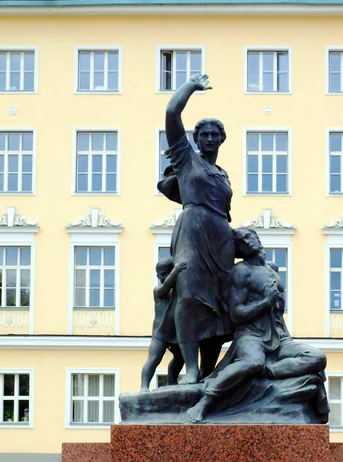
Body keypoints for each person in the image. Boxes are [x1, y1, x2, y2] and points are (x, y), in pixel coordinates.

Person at [186, 228, 328, 423]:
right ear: (238, 250)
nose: (245, 241)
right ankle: (205, 401)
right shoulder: (241, 271)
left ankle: (268, 372)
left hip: (280, 337)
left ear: (256, 238)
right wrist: (265, 303)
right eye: (240, 241)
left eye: (247, 236)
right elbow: (236, 314)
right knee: (252, 362)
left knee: (317, 357)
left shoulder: (272, 270)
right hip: (250, 335)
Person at [157, 73, 234, 385]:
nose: (210, 138)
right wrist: (191, 86)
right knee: (189, 295)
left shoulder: (222, 173)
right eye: (204, 134)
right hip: (192, 229)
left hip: (221, 236)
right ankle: (190, 367)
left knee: (219, 304)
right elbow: (172, 114)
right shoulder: (187, 159)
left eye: (216, 134)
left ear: (222, 139)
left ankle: (207, 371)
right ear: (196, 139)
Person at [140, 257, 186, 392]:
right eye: (163, 274)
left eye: (168, 272)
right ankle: (144, 386)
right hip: (160, 333)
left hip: (176, 333)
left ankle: (171, 380)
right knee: (154, 358)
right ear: (157, 275)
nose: (166, 276)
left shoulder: (178, 291)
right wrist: (177, 270)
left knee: (180, 358)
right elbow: (166, 286)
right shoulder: (158, 291)